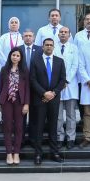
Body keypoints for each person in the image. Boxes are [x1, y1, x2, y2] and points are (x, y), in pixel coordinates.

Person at [29, 37, 67, 165]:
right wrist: (44, 93)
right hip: (40, 99)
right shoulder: (35, 61)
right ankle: (38, 154)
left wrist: (53, 93)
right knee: (38, 127)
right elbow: (32, 79)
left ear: (54, 47)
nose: (49, 47)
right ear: (43, 47)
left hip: (54, 99)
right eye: (47, 45)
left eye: (51, 45)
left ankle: (54, 152)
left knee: (53, 127)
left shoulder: (60, 61)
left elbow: (62, 80)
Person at [0, 47, 30, 165]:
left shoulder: (25, 70)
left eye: (17, 56)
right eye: (13, 55)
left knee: (19, 127)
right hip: (7, 101)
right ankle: (8, 154)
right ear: (10, 56)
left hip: (19, 102)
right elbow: (1, 86)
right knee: (7, 127)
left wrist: (26, 104)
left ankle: (16, 153)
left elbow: (27, 89)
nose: (15, 57)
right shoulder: (4, 69)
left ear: (21, 58)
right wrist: (0, 102)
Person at [56, 27, 79, 149]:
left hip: (70, 84)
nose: (63, 34)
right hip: (56, 85)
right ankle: (59, 137)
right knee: (58, 115)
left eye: (65, 32)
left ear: (70, 35)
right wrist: (60, 82)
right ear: (58, 35)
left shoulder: (74, 48)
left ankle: (71, 138)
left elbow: (75, 66)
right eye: (61, 32)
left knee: (71, 114)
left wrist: (66, 80)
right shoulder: (53, 47)